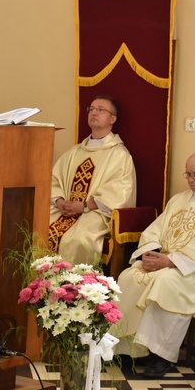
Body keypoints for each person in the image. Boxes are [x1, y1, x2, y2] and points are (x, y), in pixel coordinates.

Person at [112, 152, 195, 378]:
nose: (191, 179)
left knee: (166, 282)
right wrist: (152, 255)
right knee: (129, 277)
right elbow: (155, 230)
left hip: (193, 270)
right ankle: (127, 349)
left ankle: (160, 355)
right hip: (165, 262)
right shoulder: (179, 199)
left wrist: (171, 262)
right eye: (188, 174)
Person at [48, 96, 136, 265]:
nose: (94, 112)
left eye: (101, 109)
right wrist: (59, 201)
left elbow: (119, 192)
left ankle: (73, 289)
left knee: (77, 240)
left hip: (96, 213)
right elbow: (54, 180)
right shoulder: (74, 152)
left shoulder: (119, 155)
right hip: (64, 210)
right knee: (38, 227)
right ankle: (39, 288)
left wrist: (85, 206)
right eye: (92, 109)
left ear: (113, 119)